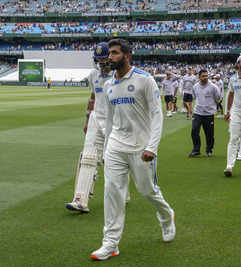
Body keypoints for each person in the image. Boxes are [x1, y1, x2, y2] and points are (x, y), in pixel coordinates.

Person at [91, 39, 175, 261]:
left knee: (148, 191)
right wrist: (106, 148)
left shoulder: (144, 80)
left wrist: (152, 147)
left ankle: (166, 217)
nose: (110, 57)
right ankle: (110, 243)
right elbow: (109, 120)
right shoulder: (109, 84)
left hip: (141, 147)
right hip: (116, 146)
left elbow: (157, 115)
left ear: (127, 56)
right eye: (110, 53)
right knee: (112, 192)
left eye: (115, 53)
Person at [65, 42, 112, 213]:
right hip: (95, 119)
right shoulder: (93, 74)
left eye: (103, 59)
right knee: (88, 158)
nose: (101, 63)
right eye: (98, 60)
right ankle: (80, 200)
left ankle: (122, 192)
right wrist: (87, 120)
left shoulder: (118, 75)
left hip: (114, 122)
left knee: (112, 160)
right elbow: (92, 97)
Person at [189, 70, 222, 158]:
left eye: (206, 76)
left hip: (209, 113)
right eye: (203, 76)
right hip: (197, 112)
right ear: (199, 77)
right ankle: (196, 150)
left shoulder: (213, 87)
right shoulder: (195, 86)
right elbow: (195, 97)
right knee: (194, 130)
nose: (205, 78)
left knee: (209, 134)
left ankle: (209, 150)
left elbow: (218, 97)